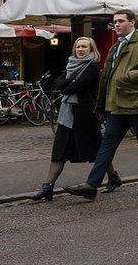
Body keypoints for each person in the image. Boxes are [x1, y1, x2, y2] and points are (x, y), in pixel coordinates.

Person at [64, 10, 138, 200]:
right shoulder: (116, 46)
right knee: (107, 144)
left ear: (132, 23)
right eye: (114, 22)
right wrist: (104, 103)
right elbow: (109, 76)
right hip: (118, 105)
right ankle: (91, 185)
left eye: (120, 21)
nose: (116, 25)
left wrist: (129, 76)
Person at [30, 38, 121, 201]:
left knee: (97, 150)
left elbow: (74, 87)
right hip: (67, 117)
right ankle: (47, 187)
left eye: (84, 46)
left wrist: (69, 83)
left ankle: (113, 176)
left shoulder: (92, 67)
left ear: (91, 49)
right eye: (78, 46)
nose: (80, 49)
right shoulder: (70, 66)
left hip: (86, 117)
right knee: (59, 152)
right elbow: (57, 84)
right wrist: (69, 82)